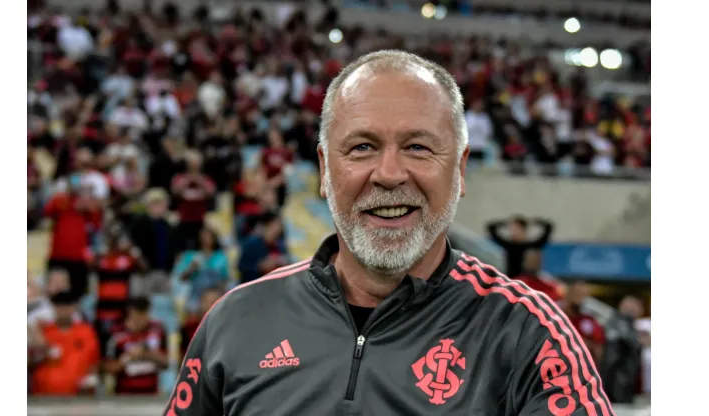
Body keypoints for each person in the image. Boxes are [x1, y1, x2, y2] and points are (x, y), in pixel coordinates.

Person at [165, 50, 613, 415]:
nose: (390, 174)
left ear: (459, 169)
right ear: (324, 170)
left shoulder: (526, 334)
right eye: (362, 147)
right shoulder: (237, 320)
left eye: (418, 147)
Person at [105, 297, 169, 395]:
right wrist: (128, 358)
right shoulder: (116, 334)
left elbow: (167, 363)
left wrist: (146, 354)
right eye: (137, 316)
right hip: (123, 395)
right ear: (130, 314)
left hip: (152, 394)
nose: (142, 320)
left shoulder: (158, 330)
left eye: (144, 315)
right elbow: (108, 368)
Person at [600, 295, 644, 404]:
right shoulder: (619, 322)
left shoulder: (631, 325)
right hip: (617, 382)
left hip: (627, 381)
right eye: (630, 306)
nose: (633, 309)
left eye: (636, 307)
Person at [487, 215, 554, 277]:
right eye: (512, 230)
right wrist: (506, 222)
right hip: (512, 280)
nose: (514, 232)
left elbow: (548, 228)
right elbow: (491, 228)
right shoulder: (509, 245)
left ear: (524, 230)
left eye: (517, 229)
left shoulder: (532, 245)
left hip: (529, 282)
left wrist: (534, 221)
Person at [560, 281, 606, 365]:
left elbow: (599, 347)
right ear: (568, 293)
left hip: (584, 367)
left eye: (582, 294)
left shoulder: (589, 320)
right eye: (576, 293)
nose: (579, 297)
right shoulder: (558, 316)